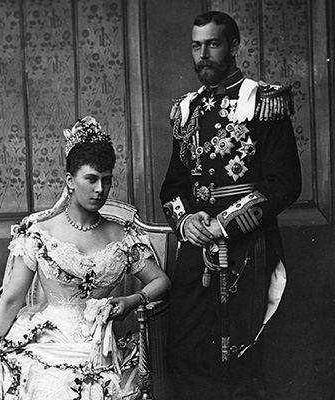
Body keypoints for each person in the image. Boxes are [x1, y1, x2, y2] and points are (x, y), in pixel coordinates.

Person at [0, 116, 170, 399]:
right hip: (44, 339)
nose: (100, 190)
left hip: (98, 348)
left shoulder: (123, 235)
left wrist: (132, 301)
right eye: (91, 179)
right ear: (70, 181)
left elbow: (160, 280)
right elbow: (10, 300)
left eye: (106, 181)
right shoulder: (39, 233)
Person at [160, 11, 301, 400]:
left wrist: (225, 224)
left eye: (213, 44)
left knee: (240, 358)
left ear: (234, 46)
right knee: (185, 352)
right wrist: (185, 221)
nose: (203, 54)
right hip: (195, 249)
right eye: (196, 45)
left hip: (248, 248)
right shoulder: (187, 110)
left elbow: (285, 184)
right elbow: (172, 186)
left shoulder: (263, 102)